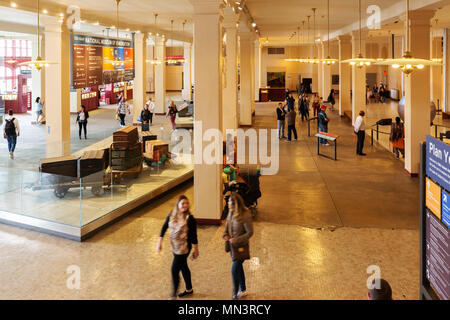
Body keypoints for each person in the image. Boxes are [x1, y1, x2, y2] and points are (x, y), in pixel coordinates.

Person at [156, 195, 199, 299]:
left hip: (184, 248)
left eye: (187, 203)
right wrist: (159, 242)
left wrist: (196, 249)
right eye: (183, 203)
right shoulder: (172, 214)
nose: (185, 205)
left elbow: (194, 236)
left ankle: (173, 295)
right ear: (178, 204)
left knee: (174, 270)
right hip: (175, 247)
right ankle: (189, 289)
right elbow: (164, 227)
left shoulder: (190, 218)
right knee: (184, 266)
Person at [223, 192, 254, 300]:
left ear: (235, 203)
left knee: (234, 269)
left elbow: (250, 232)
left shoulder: (245, 214)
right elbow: (227, 225)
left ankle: (235, 293)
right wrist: (225, 234)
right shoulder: (231, 212)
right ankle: (243, 290)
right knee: (239, 268)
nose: (227, 203)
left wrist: (236, 240)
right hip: (232, 247)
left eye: (229, 201)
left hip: (241, 247)